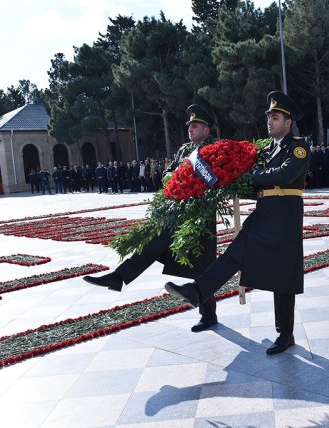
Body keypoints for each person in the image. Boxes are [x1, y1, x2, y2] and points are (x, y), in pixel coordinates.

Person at [164, 91, 310, 355]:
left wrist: (254, 176)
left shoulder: (298, 147)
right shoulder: (268, 149)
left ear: (288, 122)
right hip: (265, 210)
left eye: (275, 117)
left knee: (283, 274)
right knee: (234, 253)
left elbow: (287, 174)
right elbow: (257, 182)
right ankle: (198, 292)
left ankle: (285, 334)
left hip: (286, 214)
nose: (269, 121)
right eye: (268, 117)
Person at [84, 104, 219, 332]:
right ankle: (119, 276)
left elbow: (214, 178)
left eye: (194, 126)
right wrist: (174, 177)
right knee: (153, 243)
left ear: (206, 129)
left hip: (200, 213)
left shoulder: (215, 149)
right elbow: (168, 172)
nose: (190, 129)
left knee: (201, 264)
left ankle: (208, 314)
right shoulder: (184, 149)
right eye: (189, 126)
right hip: (178, 210)